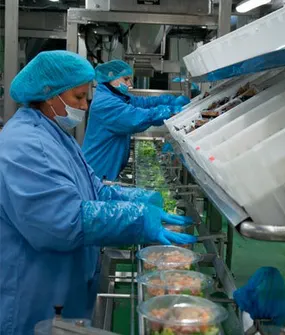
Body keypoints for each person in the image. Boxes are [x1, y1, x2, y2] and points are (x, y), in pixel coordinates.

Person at [0, 51, 196, 334]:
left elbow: (94, 189)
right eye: (78, 97)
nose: (85, 104)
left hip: (64, 283)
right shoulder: (25, 145)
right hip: (36, 291)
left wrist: (142, 201)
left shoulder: (54, 133)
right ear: (48, 95)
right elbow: (63, 222)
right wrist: (139, 220)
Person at [83, 60, 190, 181]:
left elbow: (143, 103)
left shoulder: (117, 96)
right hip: (97, 172)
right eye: (126, 79)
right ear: (111, 76)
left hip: (106, 170)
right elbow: (135, 118)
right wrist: (169, 111)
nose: (129, 84)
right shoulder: (105, 103)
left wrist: (168, 100)